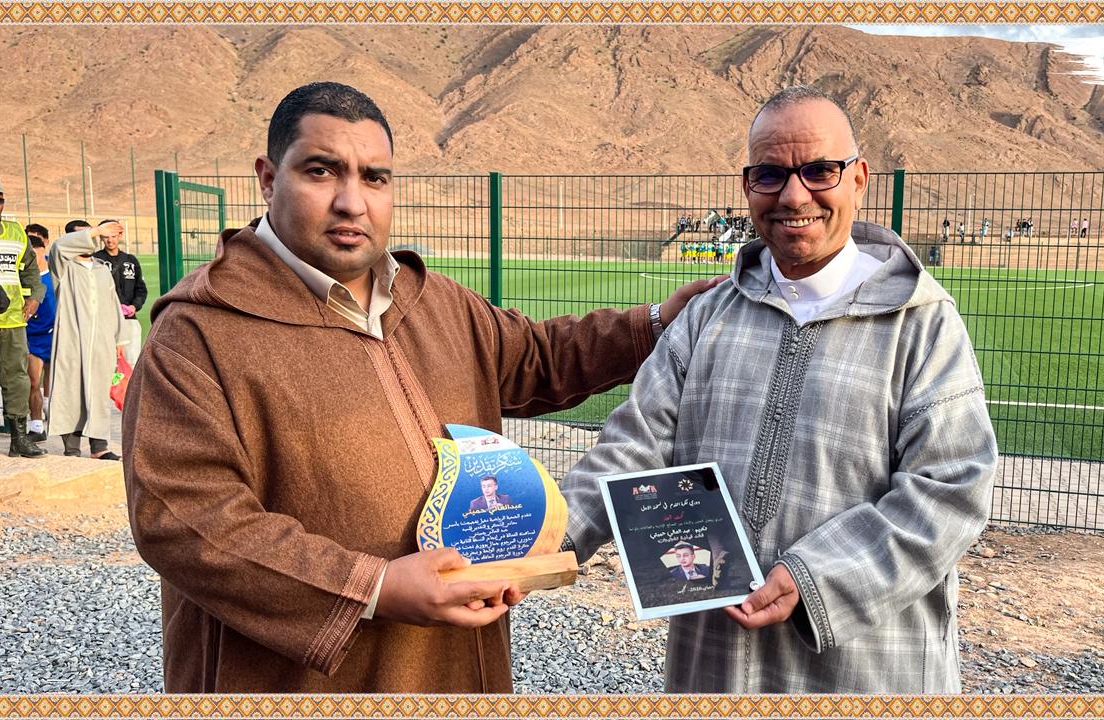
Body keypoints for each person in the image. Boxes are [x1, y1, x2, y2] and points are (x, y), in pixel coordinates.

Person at [122, 81, 716, 694]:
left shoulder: (433, 301)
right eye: (322, 171)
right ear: (269, 179)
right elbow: (184, 517)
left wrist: (654, 324)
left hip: (456, 664)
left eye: (374, 178)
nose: (352, 202)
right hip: (301, 682)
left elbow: (538, 356)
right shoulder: (200, 333)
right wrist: (371, 588)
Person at [560, 86, 997, 693]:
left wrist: (814, 577)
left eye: (819, 170)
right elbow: (632, 450)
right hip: (714, 663)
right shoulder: (708, 317)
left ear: (859, 179)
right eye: (770, 175)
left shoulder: (921, 323)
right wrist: (546, 542)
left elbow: (951, 487)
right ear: (748, 188)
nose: (794, 196)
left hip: (866, 674)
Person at [47, 220, 127, 460]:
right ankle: (71, 449)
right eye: (84, 236)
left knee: (99, 393)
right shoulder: (64, 267)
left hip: (102, 341)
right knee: (71, 392)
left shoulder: (102, 269)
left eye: (92, 234)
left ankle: (99, 447)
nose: (91, 239)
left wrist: (119, 340)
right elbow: (58, 247)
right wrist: (97, 231)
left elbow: (113, 305)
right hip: (71, 340)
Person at [0, 178, 47, 457]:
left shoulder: (16, 232)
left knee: (17, 380)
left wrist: (35, 297)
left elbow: (30, 270)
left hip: (13, 321)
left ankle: (18, 439)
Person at [92, 219, 147, 367]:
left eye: (113, 236)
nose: (110, 240)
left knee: (132, 362)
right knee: (106, 364)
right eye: (106, 237)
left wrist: (134, 306)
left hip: (129, 320)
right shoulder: (95, 260)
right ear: (101, 237)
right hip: (105, 321)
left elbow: (141, 289)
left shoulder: (131, 260)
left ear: (120, 235)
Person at [23, 224, 56, 442]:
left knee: (53, 383)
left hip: (55, 335)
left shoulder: (56, 276)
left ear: (44, 249)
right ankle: (36, 426)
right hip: (33, 338)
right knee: (33, 381)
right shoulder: (24, 279)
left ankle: (53, 415)